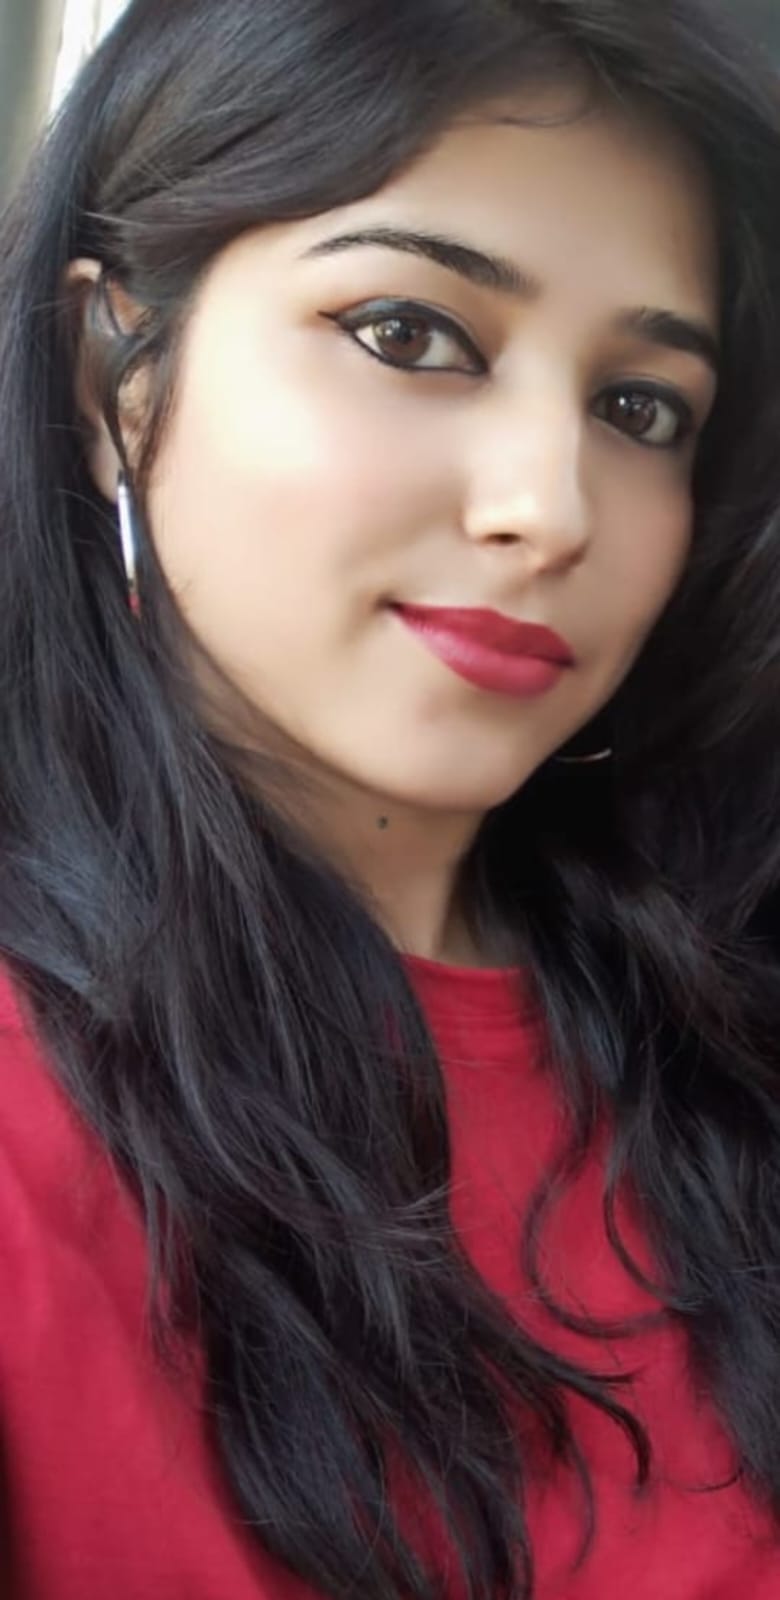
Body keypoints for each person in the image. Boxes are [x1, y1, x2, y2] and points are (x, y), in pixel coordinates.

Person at [1, 0, 779, 1595]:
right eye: (409, 333)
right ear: (111, 378)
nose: (548, 508)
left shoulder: (721, 1032)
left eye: (639, 407)